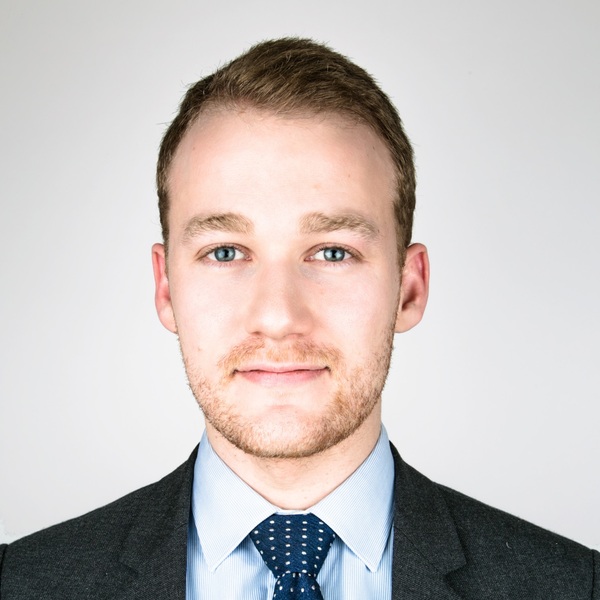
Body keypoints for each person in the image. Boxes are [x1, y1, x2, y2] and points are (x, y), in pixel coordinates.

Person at [0, 37, 597, 600]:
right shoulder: (20, 583)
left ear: (409, 289)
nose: (278, 317)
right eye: (225, 252)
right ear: (166, 289)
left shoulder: (575, 587)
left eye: (333, 252)